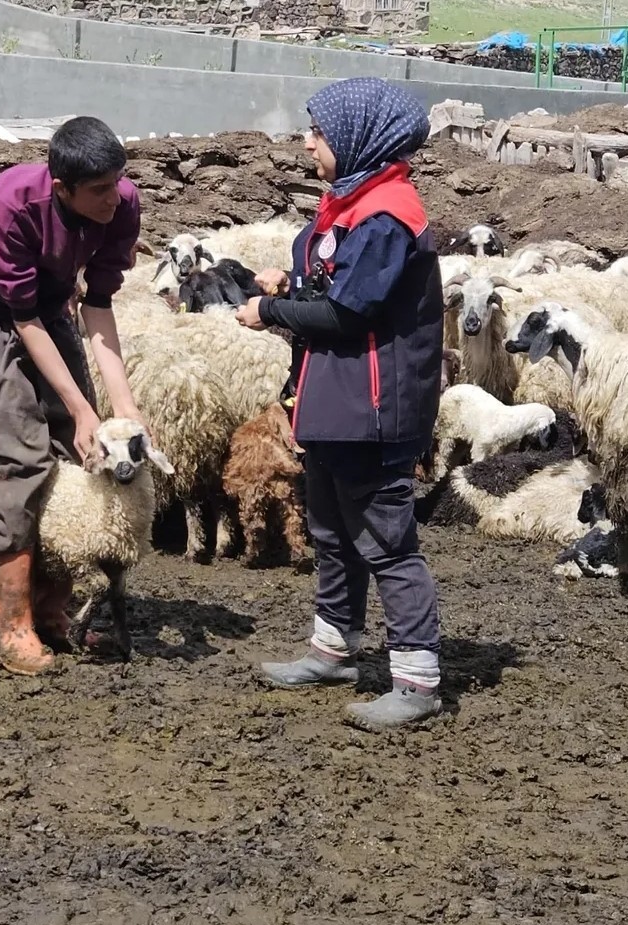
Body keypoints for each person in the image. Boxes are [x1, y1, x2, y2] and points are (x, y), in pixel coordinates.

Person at [235, 77, 445, 731]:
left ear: (356, 138)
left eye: (318, 132)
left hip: (372, 410)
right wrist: (290, 281)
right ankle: (333, 648)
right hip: (334, 402)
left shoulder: (388, 214)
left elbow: (351, 309)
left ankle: (417, 680)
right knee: (330, 531)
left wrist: (270, 309)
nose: (307, 143)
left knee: (386, 542)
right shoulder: (352, 205)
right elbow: (335, 281)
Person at [0, 115, 146, 676]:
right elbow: (19, 317)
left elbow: (97, 304)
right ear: (62, 188)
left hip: (49, 308)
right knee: (3, 455)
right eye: (99, 191)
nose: (114, 197)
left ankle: (53, 612)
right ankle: (12, 624)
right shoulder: (13, 203)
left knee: (69, 452)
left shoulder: (122, 203)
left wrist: (120, 409)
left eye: (117, 182)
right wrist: (82, 407)